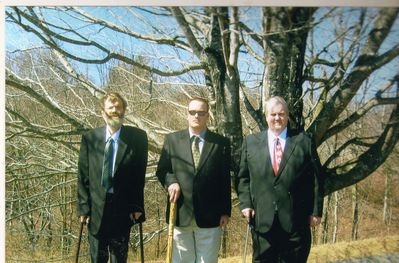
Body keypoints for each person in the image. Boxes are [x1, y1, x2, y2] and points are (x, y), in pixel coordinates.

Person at [235, 96, 324, 263]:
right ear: (266, 116)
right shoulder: (251, 142)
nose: (277, 118)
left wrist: (315, 211)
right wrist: (246, 204)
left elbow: (316, 178)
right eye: (273, 114)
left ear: (287, 115)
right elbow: (243, 177)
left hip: (296, 222)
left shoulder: (303, 141)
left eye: (282, 114)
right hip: (262, 221)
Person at [156, 97, 231, 263]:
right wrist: (172, 181)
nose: (196, 116)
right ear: (187, 114)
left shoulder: (221, 143)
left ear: (207, 116)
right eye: (192, 112)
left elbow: (224, 178)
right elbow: (163, 170)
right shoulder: (172, 140)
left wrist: (225, 210)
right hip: (180, 213)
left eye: (201, 113)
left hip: (211, 215)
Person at [77, 92, 148, 263]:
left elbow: (139, 176)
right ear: (103, 111)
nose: (115, 111)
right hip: (96, 211)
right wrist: (83, 208)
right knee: (97, 259)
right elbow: (83, 175)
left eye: (118, 107)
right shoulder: (90, 138)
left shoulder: (137, 138)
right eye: (111, 107)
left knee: (119, 259)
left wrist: (137, 206)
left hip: (123, 210)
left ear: (124, 111)